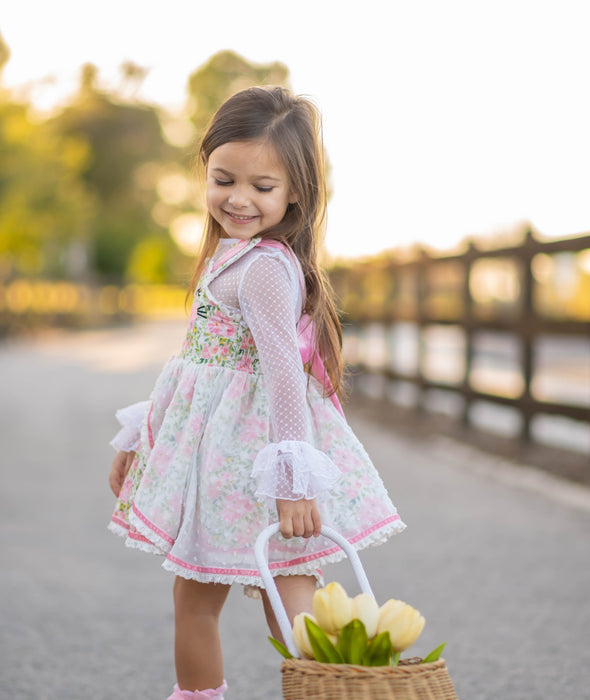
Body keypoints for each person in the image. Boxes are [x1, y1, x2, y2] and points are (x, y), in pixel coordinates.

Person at [107, 85, 405, 700]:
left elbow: (281, 375)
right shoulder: (228, 255)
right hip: (221, 455)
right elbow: (195, 362)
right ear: (205, 170)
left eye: (261, 188)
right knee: (263, 593)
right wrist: (142, 435)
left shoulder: (266, 268)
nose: (238, 199)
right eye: (223, 179)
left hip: (249, 461)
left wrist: (293, 483)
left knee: (242, 595)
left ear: (296, 191)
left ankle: (333, 689)